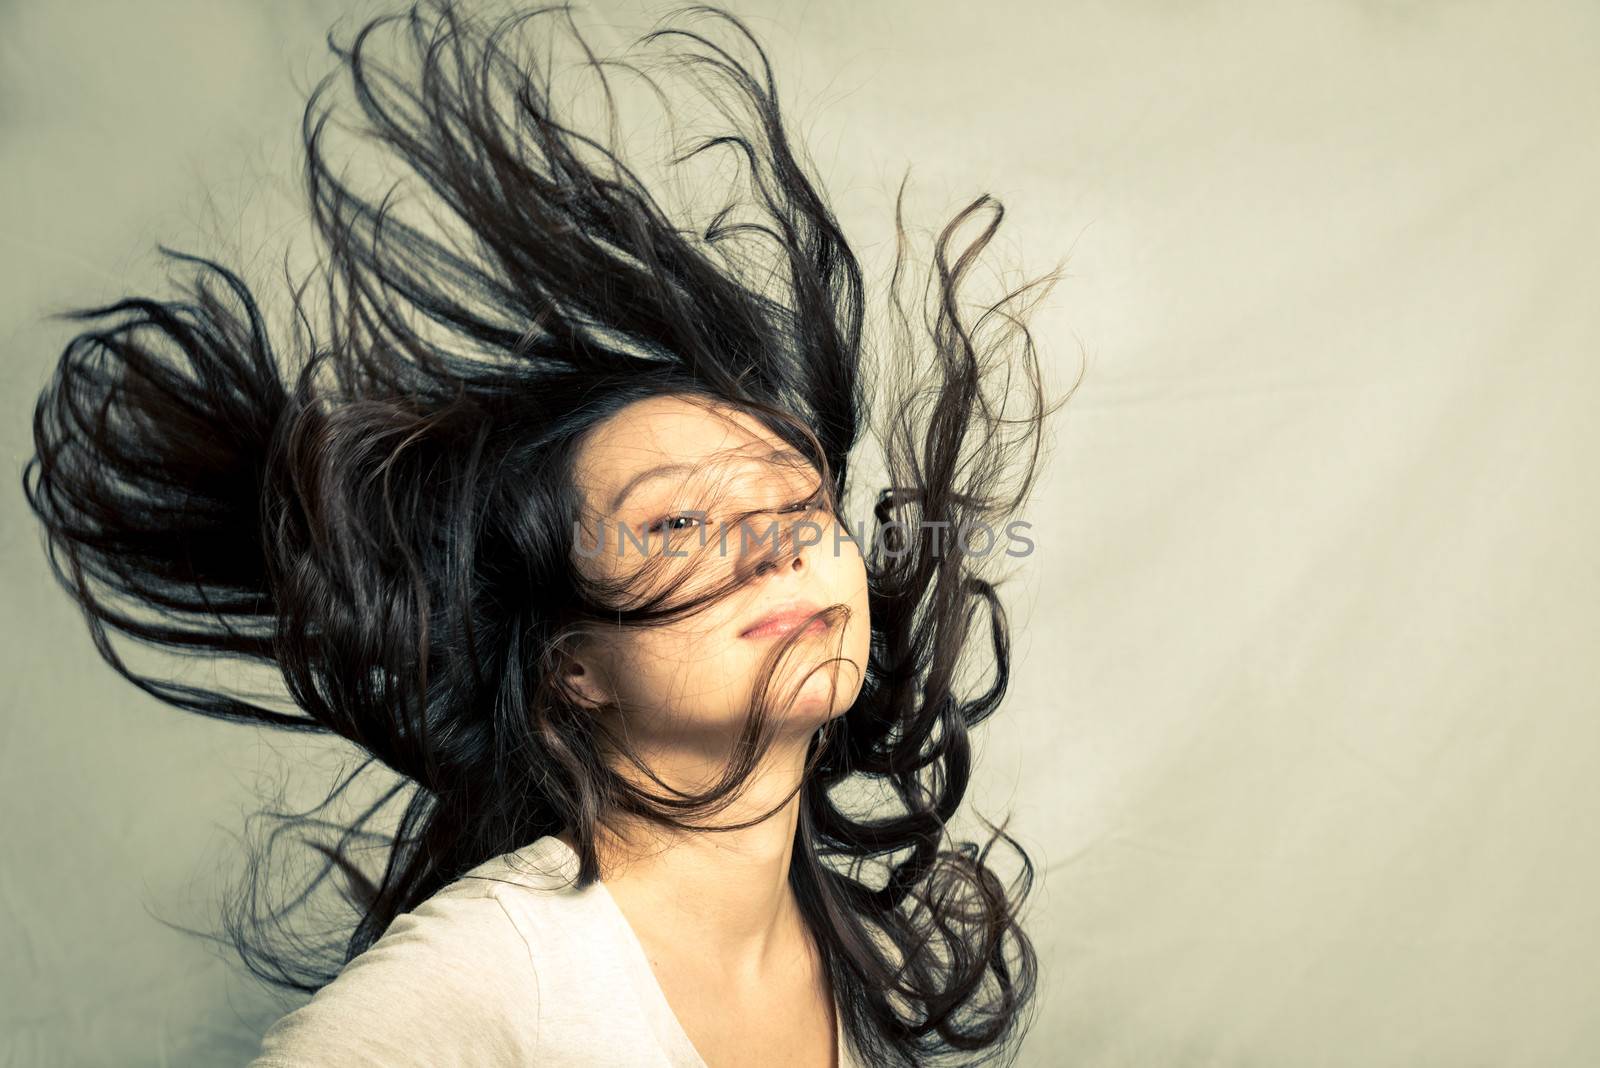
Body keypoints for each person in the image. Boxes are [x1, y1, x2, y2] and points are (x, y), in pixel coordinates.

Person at [20, 1, 1074, 1064]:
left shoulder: (869, 975)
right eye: (678, 521)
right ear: (574, 669)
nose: (779, 548)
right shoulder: (477, 986)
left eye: (801, 504)